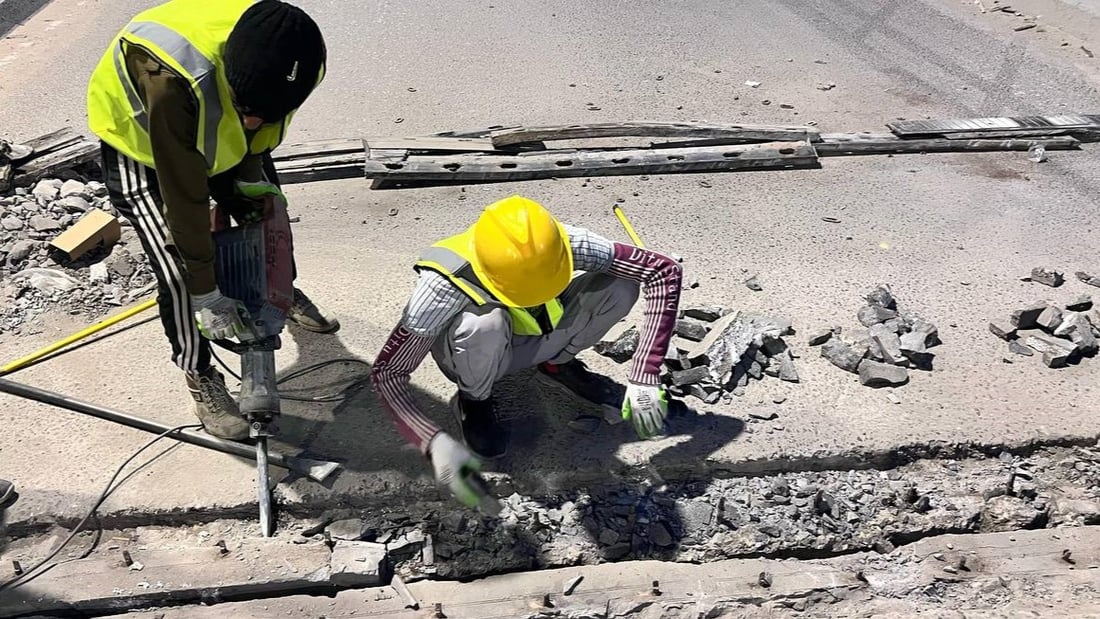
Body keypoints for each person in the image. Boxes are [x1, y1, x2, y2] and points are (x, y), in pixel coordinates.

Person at [85, 0, 338, 440]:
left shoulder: (297, 61)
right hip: (144, 142)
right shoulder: (171, 81)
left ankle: (279, 294)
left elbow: (257, 129)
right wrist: (206, 293)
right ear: (231, 80)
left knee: (268, 217)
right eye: (248, 107)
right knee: (179, 272)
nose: (255, 119)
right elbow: (185, 199)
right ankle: (199, 373)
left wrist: (248, 179)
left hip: (211, 113)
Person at [370, 195, 683, 508]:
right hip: (478, 356)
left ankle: (557, 366)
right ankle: (474, 403)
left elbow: (662, 270)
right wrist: (432, 440)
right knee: (482, 323)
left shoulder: (564, 242)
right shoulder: (443, 282)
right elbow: (389, 372)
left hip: (546, 337)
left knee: (621, 283)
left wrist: (645, 374)